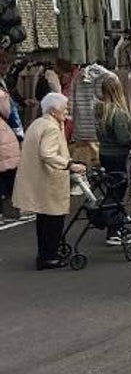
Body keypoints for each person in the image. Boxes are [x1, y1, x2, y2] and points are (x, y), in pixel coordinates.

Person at [12, 93, 86, 270]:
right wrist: (70, 164)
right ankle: (49, 257)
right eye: (64, 108)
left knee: (43, 218)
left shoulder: (37, 123)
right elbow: (48, 154)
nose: (67, 112)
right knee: (54, 218)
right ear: (54, 111)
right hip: (50, 180)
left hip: (38, 179)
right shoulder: (52, 128)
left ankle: (45, 254)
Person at [95, 73, 131, 245]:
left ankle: (113, 225)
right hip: (118, 155)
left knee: (112, 190)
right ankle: (113, 228)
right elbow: (123, 139)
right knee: (117, 192)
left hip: (105, 152)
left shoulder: (100, 110)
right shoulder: (118, 113)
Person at [0, 76, 24, 223]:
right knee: (9, 176)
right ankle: (13, 210)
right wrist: (21, 137)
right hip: (3, 139)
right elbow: (13, 117)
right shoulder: (2, 96)